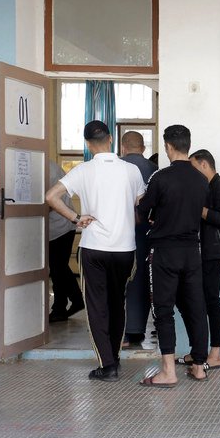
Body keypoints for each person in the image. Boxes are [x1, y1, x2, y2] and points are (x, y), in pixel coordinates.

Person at [45, 120, 145, 382]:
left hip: (94, 249)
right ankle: (115, 358)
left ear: (88, 144)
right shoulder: (131, 170)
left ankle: (107, 366)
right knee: (117, 304)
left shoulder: (83, 171)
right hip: (125, 248)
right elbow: (140, 206)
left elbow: (51, 196)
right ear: (111, 139)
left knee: (97, 307)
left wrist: (76, 218)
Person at [137, 125, 210, 387]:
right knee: (196, 308)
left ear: (168, 146)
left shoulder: (160, 178)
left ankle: (168, 372)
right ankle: (199, 367)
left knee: (164, 310)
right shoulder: (201, 179)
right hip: (192, 251)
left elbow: (143, 212)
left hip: (164, 252)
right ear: (188, 145)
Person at [173, 149, 220, 368]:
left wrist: (197, 208)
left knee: (211, 300)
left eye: (193, 167)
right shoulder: (205, 187)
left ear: (203, 165)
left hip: (215, 253)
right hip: (201, 253)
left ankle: (215, 354)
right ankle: (197, 351)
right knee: (191, 300)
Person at [120, 131, 158, 347]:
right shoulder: (154, 170)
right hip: (145, 234)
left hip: (118, 233)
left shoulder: (115, 167)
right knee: (142, 280)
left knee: (119, 282)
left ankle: (122, 333)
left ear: (123, 147)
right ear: (143, 148)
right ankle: (137, 330)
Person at [48, 160, 84, 323]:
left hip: (59, 226)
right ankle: (74, 300)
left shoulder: (46, 167)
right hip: (61, 225)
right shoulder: (49, 165)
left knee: (58, 269)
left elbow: (50, 200)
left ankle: (60, 308)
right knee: (59, 268)